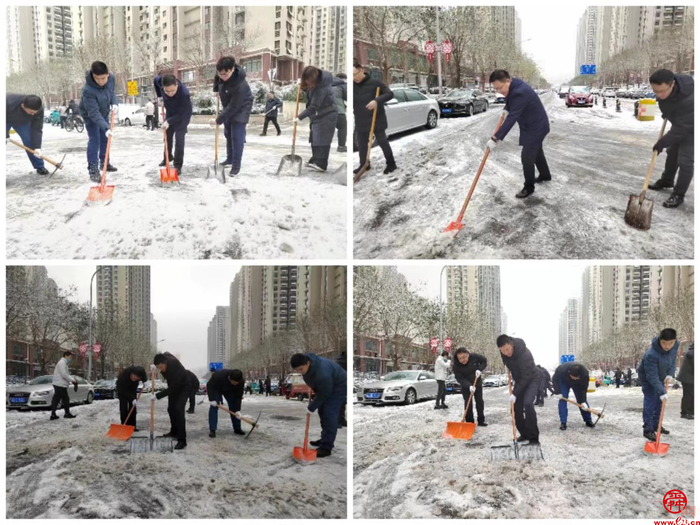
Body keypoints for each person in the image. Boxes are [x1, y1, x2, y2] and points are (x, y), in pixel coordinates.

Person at [489, 69, 551, 199]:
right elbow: (510, 98)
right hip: (534, 124)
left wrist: (495, 138)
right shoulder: (514, 84)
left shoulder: (520, 92)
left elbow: (512, 118)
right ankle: (545, 175)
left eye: (500, 88)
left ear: (507, 81)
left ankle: (529, 187)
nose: (499, 91)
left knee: (527, 157)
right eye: (496, 89)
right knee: (537, 151)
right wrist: (507, 108)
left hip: (536, 127)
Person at [647, 69, 694, 208]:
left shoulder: (690, 98)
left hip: (693, 127)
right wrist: (667, 113)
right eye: (655, 91)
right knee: (672, 152)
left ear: (672, 84)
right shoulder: (665, 90)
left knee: (685, 160)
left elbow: (682, 128)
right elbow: (669, 105)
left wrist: (662, 142)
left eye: (662, 91)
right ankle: (667, 180)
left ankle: (678, 194)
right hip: (681, 123)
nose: (659, 95)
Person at [291, 352, 347, 458]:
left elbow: (324, 393)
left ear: (308, 363)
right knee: (322, 411)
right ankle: (325, 439)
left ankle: (326, 447)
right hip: (328, 386)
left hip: (340, 387)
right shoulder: (309, 366)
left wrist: (311, 407)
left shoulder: (322, 372)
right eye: (297, 370)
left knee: (329, 414)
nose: (300, 372)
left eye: (301, 369)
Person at [212, 56, 253, 176]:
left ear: (232, 69)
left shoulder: (241, 84)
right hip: (228, 104)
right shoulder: (221, 75)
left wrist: (218, 120)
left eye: (226, 74)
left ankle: (236, 165)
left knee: (236, 136)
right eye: (221, 74)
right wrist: (216, 90)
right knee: (228, 133)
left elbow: (234, 106)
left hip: (241, 107)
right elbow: (217, 79)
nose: (223, 76)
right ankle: (229, 158)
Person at [353, 63, 396, 175]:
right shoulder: (352, 86)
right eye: (351, 76)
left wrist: (376, 101)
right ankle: (364, 164)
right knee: (361, 144)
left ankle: (391, 164)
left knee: (382, 141)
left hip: (376, 119)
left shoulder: (375, 83)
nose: (354, 78)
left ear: (362, 70)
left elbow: (389, 94)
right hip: (360, 119)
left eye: (355, 74)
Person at [79, 61, 119, 182]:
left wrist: (114, 103)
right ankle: (93, 169)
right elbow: (93, 113)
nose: (100, 81)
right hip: (90, 115)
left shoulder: (111, 78)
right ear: (93, 75)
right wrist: (106, 128)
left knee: (105, 139)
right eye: (97, 78)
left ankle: (104, 163)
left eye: (103, 78)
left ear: (107, 74)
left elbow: (111, 92)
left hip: (104, 112)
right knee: (95, 139)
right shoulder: (87, 90)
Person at [296, 66, 341, 172]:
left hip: (327, 114)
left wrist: (299, 117)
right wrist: (302, 87)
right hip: (318, 114)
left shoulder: (322, 87)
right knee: (315, 137)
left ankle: (321, 163)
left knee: (322, 138)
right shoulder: (316, 83)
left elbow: (314, 106)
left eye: (308, 79)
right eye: (305, 78)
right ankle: (315, 159)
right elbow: (309, 92)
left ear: (313, 77)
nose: (306, 81)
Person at [637, 328, 679, 441]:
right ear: (659, 340)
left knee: (660, 402)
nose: (667, 346)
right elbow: (651, 377)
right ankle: (648, 429)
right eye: (664, 343)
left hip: (660, 375)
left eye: (670, 343)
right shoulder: (651, 355)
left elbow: (673, 360)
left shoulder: (675, 346)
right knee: (651, 400)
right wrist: (662, 391)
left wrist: (670, 373)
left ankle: (657, 425)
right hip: (648, 377)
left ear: (675, 341)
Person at [497, 334, 540, 444]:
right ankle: (524, 433)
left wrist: (515, 393)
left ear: (511, 344)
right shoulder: (504, 353)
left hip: (531, 379)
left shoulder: (524, 354)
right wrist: (507, 365)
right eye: (503, 351)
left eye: (507, 349)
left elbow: (526, 377)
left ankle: (533, 438)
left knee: (528, 404)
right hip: (520, 380)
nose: (506, 353)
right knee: (515, 408)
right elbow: (507, 361)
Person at [154, 74, 193, 175]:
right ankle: (167, 157)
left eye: (172, 91)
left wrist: (169, 121)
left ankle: (177, 165)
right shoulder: (160, 82)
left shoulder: (184, 94)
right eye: (167, 91)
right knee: (167, 137)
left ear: (176, 85)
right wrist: (159, 96)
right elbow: (155, 79)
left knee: (179, 140)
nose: (170, 93)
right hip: (171, 112)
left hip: (183, 116)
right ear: (163, 88)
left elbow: (182, 113)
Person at [153, 352, 190, 450]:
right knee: (171, 409)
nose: (160, 370)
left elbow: (174, 387)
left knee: (178, 410)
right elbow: (166, 353)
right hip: (174, 387)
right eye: (158, 368)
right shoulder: (164, 362)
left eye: (161, 367)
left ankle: (182, 440)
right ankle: (174, 431)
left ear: (165, 362)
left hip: (183, 388)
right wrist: (154, 367)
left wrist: (158, 395)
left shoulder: (174, 366)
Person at [6, 93, 48, 175]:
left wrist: (37, 147)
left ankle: (39, 166)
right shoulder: (7, 101)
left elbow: (37, 128)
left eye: (34, 113)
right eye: (31, 112)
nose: (33, 114)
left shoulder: (39, 109)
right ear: (22, 106)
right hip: (5, 119)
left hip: (23, 123)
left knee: (30, 141)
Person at [552, 362, 594, 430]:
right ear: (569, 373)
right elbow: (555, 379)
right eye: (573, 377)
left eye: (576, 378)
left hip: (578, 384)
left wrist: (583, 401)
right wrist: (557, 392)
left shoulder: (584, 374)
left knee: (582, 401)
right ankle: (563, 422)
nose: (574, 379)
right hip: (564, 382)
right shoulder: (561, 369)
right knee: (563, 399)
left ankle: (588, 420)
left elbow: (583, 388)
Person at [452, 348, 488, 425]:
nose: (462, 360)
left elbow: (484, 361)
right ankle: (469, 422)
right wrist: (469, 386)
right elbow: (459, 378)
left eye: (464, 357)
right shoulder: (456, 365)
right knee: (468, 403)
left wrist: (479, 369)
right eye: (460, 358)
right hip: (466, 386)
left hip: (477, 382)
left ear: (468, 354)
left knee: (479, 402)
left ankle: (481, 420)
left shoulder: (474, 356)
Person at [206, 368, 245, 438]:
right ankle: (212, 430)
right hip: (217, 389)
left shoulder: (241, 382)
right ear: (230, 378)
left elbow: (238, 396)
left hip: (230, 391)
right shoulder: (218, 375)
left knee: (234, 407)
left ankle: (237, 428)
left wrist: (238, 410)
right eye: (234, 382)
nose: (235, 384)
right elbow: (210, 385)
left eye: (237, 383)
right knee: (214, 407)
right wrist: (212, 399)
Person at [50, 351, 78, 420]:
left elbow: (66, 374)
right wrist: (72, 380)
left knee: (57, 399)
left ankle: (53, 414)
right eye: (70, 357)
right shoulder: (62, 363)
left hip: (59, 384)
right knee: (65, 399)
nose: (70, 359)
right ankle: (66, 413)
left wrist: (72, 379)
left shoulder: (64, 363)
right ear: (66, 356)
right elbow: (64, 374)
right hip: (60, 384)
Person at [677, 343, 694, 420]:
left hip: (689, 377)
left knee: (691, 394)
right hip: (687, 378)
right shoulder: (693, 352)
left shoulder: (692, 351)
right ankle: (685, 412)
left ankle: (690, 411)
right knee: (688, 395)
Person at [334, 72, 348, 152]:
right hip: (338, 111)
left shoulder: (327, 84)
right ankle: (341, 146)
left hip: (325, 112)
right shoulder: (342, 85)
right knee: (342, 127)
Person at [336, 351, 347, 427]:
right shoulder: (343, 362)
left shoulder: (340, 360)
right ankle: (338, 421)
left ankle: (341, 420)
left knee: (342, 404)